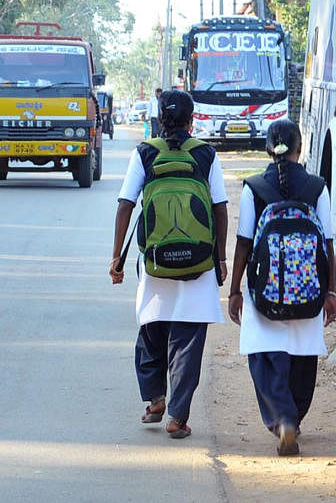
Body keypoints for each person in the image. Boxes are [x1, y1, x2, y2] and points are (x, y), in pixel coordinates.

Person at [109, 90, 228, 440]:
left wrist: (116, 257)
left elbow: (125, 204)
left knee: (151, 331)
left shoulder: (145, 153)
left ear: (159, 119)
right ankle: (177, 416)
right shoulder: (206, 154)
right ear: (193, 121)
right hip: (199, 263)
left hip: (156, 263)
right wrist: (220, 258)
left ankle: (155, 399)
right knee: (187, 342)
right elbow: (219, 207)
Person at [229, 119, 336, 456]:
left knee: (263, 355)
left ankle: (283, 417)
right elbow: (329, 245)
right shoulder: (318, 187)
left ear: (266, 148)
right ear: (300, 148)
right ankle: (295, 416)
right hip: (309, 288)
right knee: (303, 356)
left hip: (265, 292)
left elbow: (245, 243)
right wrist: (331, 291)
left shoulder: (255, 187)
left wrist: (234, 290)